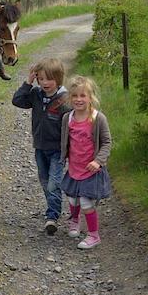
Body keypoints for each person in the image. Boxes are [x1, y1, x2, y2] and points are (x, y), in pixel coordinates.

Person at [12, 59, 71, 235]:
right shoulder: (36, 94)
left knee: (54, 182)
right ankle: (52, 208)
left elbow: (71, 127)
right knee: (45, 181)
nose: (45, 83)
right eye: (41, 79)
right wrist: (28, 82)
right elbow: (17, 101)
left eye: (49, 79)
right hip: (40, 147)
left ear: (58, 79)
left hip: (57, 150)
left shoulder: (64, 100)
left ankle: (52, 216)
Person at [60, 75, 112, 249]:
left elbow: (107, 142)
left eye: (83, 96)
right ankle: (75, 221)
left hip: (91, 170)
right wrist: (62, 158)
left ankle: (93, 235)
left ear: (91, 97)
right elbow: (65, 141)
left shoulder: (98, 119)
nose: (78, 99)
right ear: (69, 98)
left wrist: (98, 161)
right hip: (74, 167)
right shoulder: (68, 118)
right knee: (72, 199)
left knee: (86, 202)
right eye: (74, 96)